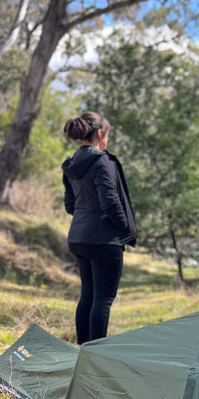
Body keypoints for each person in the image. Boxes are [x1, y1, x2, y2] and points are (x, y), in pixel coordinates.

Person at [62, 111, 137, 344]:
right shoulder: (102, 161)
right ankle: (95, 354)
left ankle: (83, 350)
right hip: (104, 240)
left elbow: (70, 205)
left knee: (88, 296)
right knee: (103, 300)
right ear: (100, 134)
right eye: (108, 136)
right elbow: (110, 201)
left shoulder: (71, 165)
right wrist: (124, 228)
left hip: (78, 237)